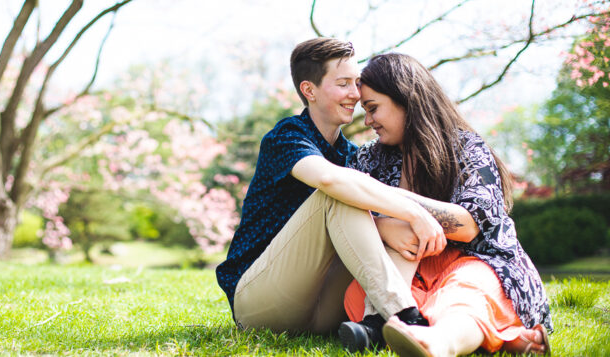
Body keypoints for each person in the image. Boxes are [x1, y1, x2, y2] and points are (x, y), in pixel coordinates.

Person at [215, 38, 451, 339]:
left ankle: (374, 324)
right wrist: (414, 212)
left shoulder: (353, 155)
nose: (355, 94)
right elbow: (329, 181)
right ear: (309, 90)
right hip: (260, 302)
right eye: (343, 84)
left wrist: (390, 224)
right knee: (337, 194)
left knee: (383, 214)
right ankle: (403, 315)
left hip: (321, 308)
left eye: (357, 83)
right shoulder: (286, 137)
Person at [339, 53, 552, 356]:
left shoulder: (466, 148)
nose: (368, 120)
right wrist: (383, 225)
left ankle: (440, 343)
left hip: (477, 263)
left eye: (373, 108)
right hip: (411, 270)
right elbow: (349, 217)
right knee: (359, 293)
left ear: (407, 100)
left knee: (464, 294)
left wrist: (390, 199)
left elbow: (466, 226)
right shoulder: (368, 158)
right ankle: (504, 338)